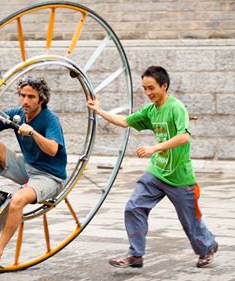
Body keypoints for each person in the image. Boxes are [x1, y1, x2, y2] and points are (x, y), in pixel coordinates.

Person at [87, 66, 217, 268]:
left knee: (190, 221)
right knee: (134, 207)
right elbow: (124, 121)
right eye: (144, 88)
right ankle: (135, 255)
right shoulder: (151, 110)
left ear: (164, 86)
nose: (147, 93)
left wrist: (154, 148)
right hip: (157, 172)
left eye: (151, 88)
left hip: (180, 177)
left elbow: (184, 137)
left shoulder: (176, 108)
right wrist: (98, 110)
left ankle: (207, 247)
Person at [0, 78, 67, 267]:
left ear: (41, 99)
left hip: (49, 177)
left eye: (31, 97)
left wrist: (32, 132)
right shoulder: (18, 114)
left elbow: (53, 149)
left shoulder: (50, 120)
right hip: (26, 168)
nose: (25, 100)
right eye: (23, 95)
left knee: (17, 200)